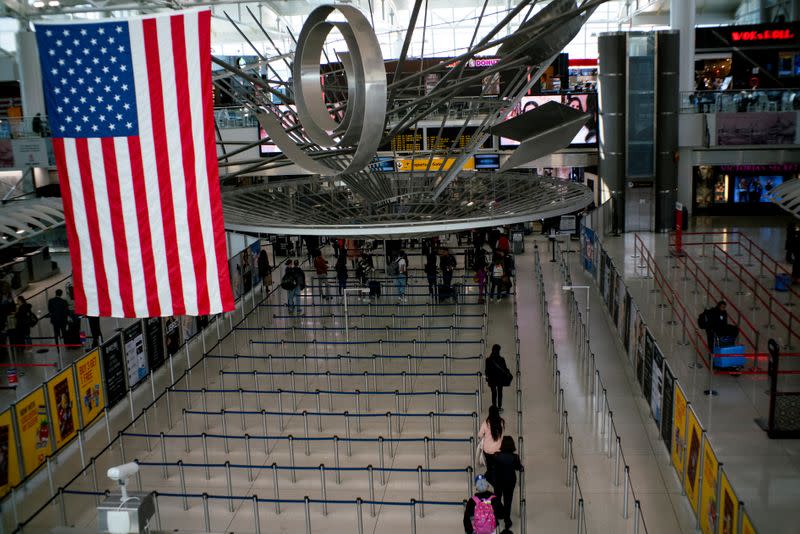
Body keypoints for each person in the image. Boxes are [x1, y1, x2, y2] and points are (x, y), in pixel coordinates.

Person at [492, 436, 522, 531]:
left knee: (497, 499)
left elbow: (493, 467)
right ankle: (507, 520)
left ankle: (495, 518)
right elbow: (518, 467)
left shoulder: (496, 455)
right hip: (510, 481)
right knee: (508, 501)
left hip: (498, 481)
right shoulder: (515, 457)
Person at [477, 405, 505, 476]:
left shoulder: (485, 423)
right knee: (497, 467)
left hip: (487, 450)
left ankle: (490, 477)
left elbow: (479, 435)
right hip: (498, 450)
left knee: (489, 467)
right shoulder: (502, 422)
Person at [485, 344, 510, 411]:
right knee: (500, 392)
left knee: (493, 393)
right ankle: (499, 406)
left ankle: (494, 406)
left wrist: (487, 377)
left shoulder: (488, 360)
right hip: (500, 378)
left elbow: (487, 370)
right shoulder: (501, 359)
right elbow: (505, 369)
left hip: (492, 379)